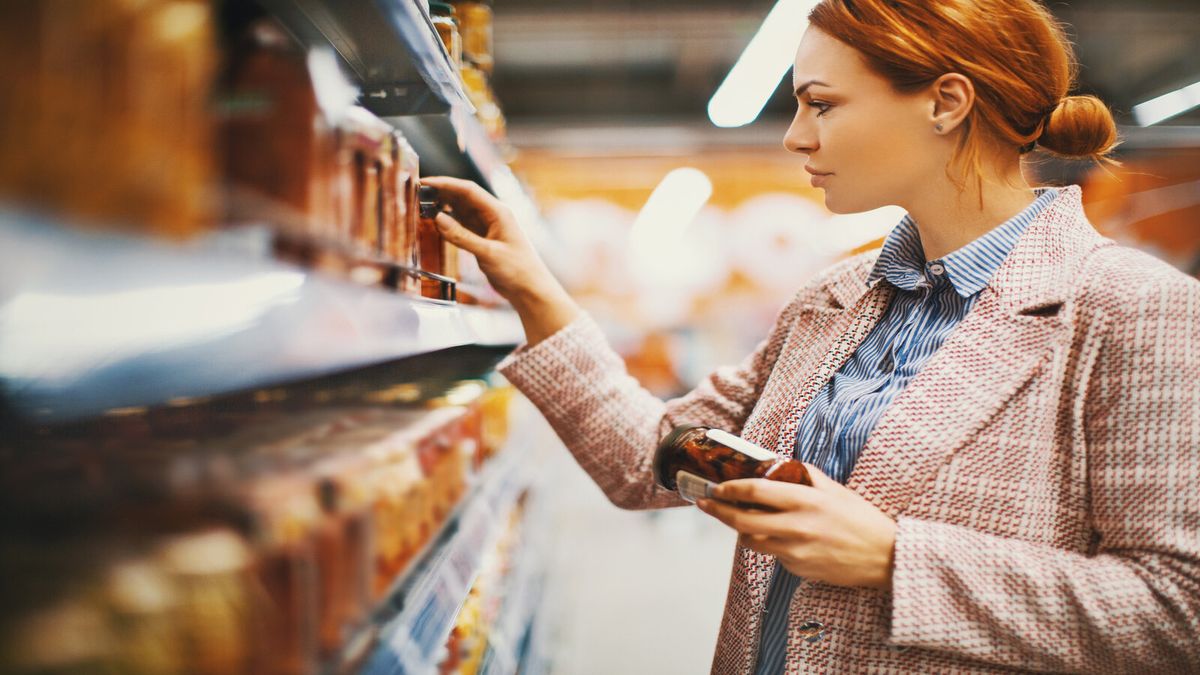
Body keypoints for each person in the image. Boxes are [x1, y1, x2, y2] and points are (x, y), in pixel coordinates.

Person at [423, 0, 1200, 671]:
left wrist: (899, 561)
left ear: (947, 102)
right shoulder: (831, 303)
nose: (795, 137)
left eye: (820, 104)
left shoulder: (1131, 310)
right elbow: (652, 458)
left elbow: (1179, 613)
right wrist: (531, 287)